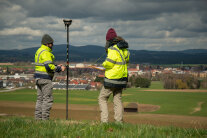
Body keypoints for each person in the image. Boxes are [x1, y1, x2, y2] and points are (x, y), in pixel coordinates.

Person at [98, 28, 130, 123]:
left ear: (109, 40)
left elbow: (109, 64)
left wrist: (103, 65)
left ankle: (104, 122)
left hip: (111, 80)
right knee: (117, 100)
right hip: (122, 79)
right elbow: (125, 63)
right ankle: (118, 122)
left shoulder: (113, 50)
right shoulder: (125, 50)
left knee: (102, 98)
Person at [34, 34, 65, 120]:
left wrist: (55, 66)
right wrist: (59, 68)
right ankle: (45, 120)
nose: (52, 45)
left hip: (38, 78)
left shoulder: (39, 51)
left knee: (40, 99)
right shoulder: (46, 52)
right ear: (47, 44)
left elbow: (44, 65)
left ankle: (37, 119)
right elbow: (48, 66)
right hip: (45, 79)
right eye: (51, 43)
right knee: (47, 99)